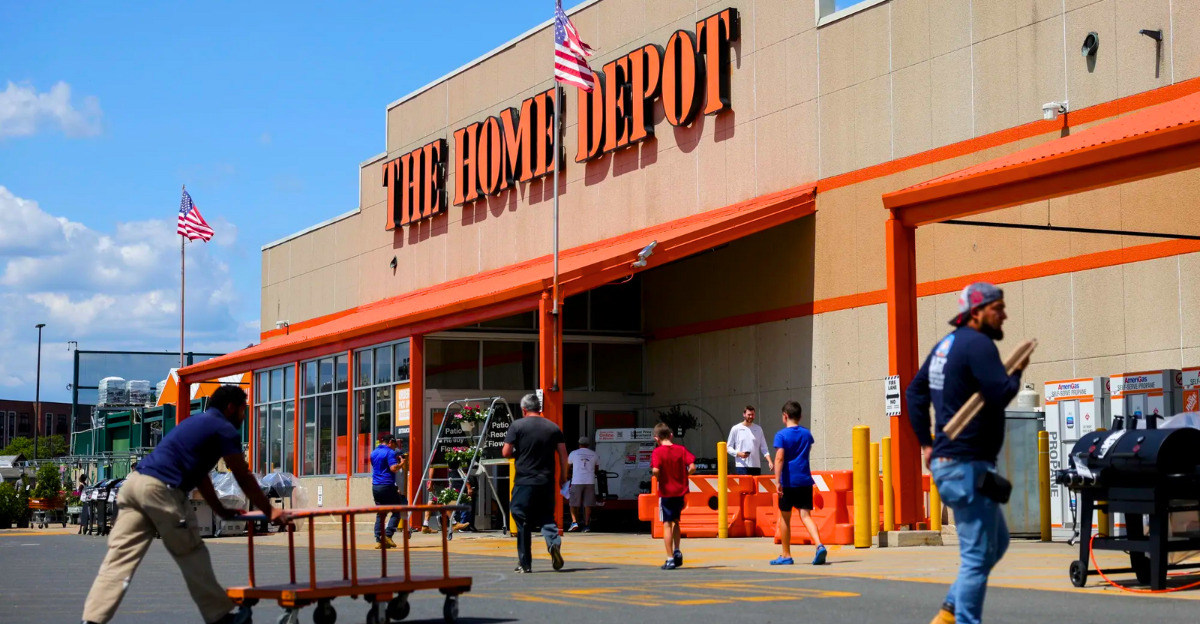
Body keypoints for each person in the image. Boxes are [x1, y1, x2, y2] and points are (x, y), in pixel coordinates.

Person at [82, 385, 289, 624]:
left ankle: (91, 620)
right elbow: (243, 476)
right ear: (231, 407)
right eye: (243, 410)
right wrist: (270, 510)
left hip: (132, 487)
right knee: (192, 553)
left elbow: (201, 475)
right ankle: (220, 617)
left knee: (118, 561)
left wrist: (220, 509)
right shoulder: (224, 429)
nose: (244, 417)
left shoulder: (193, 423)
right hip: (162, 491)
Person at [907, 283, 1029, 624]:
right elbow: (1000, 393)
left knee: (997, 543)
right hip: (966, 467)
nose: (1004, 315)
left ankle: (949, 612)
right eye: (997, 308)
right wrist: (1018, 370)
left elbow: (915, 393)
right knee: (977, 557)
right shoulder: (979, 344)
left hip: (954, 465)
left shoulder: (946, 345)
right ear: (976, 312)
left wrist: (926, 443)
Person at [502, 393, 567, 573]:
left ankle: (525, 563)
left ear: (524, 409)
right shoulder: (553, 427)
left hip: (524, 481)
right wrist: (563, 477)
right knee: (547, 515)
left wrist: (519, 454)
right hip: (546, 481)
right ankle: (553, 543)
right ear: (539, 408)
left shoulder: (517, 426)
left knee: (521, 518)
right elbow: (563, 454)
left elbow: (506, 452)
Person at [770, 401, 827, 566]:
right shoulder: (807, 434)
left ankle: (786, 555)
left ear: (785, 416)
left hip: (788, 482)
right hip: (804, 480)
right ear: (800, 416)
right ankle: (819, 545)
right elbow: (805, 453)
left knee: (785, 517)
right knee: (806, 516)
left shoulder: (781, 436)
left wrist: (777, 481)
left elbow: (779, 458)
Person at [651, 423, 694, 570]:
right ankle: (677, 549)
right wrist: (684, 476)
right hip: (680, 491)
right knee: (676, 521)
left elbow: (655, 470)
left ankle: (670, 558)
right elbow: (692, 467)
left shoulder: (657, 452)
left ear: (656, 438)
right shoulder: (681, 450)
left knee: (667, 524)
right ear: (671, 435)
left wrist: (659, 477)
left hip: (666, 492)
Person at [370, 433, 407, 549]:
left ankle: (378, 540)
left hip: (375, 486)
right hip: (387, 485)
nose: (395, 447)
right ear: (391, 442)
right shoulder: (390, 452)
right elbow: (393, 468)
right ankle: (388, 534)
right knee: (399, 509)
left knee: (381, 513)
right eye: (395, 444)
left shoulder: (374, 452)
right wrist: (402, 463)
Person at [726, 405, 773, 475]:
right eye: (749, 414)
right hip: (742, 466)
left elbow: (764, 448)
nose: (751, 416)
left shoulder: (758, 429)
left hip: (756, 466)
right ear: (744, 414)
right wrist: (738, 454)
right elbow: (728, 447)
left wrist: (770, 461)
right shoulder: (736, 429)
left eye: (752, 414)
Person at [566, 436, 598, 532]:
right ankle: (587, 525)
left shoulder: (573, 453)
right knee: (588, 504)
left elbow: (567, 467)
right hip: (589, 481)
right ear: (588, 445)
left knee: (573, 503)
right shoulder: (594, 454)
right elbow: (596, 469)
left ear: (579, 444)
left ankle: (574, 522)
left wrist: (567, 476)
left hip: (577, 481)